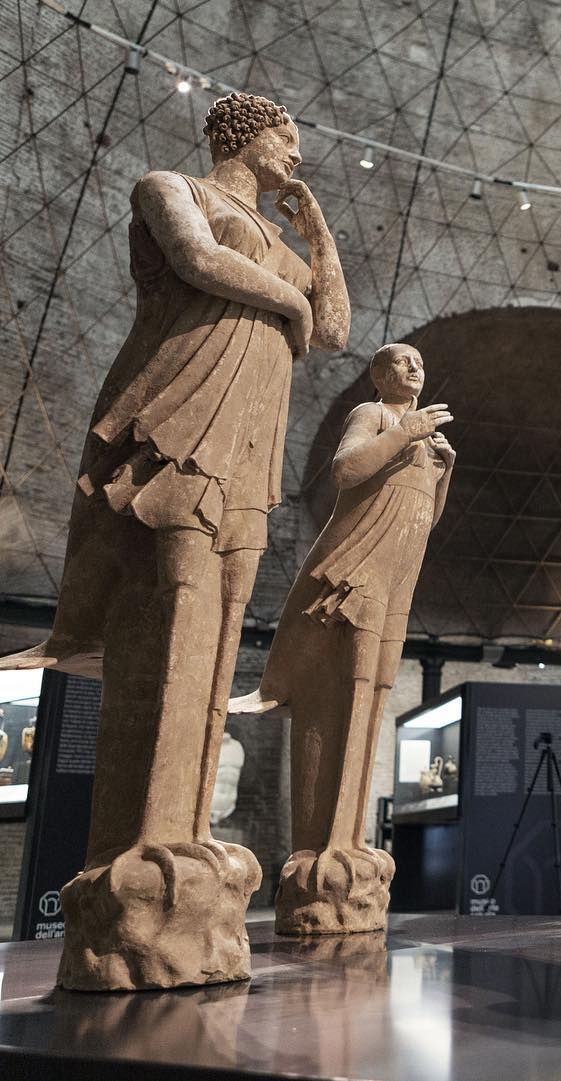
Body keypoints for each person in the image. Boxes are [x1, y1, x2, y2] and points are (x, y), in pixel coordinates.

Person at [0, 92, 349, 987]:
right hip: (181, 408)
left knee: (227, 609)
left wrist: (317, 241)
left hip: (253, 432)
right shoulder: (169, 186)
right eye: (288, 138)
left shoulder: (281, 230)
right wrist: (290, 305)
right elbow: (195, 260)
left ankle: (184, 847)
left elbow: (336, 328)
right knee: (178, 596)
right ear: (242, 137)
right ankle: (140, 860)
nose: (296, 156)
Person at [232, 343, 453, 933]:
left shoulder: (423, 440)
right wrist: (405, 431)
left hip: (398, 575)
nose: (415, 370)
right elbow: (347, 471)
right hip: (356, 569)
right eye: (403, 363)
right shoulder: (375, 416)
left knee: (376, 692)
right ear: (380, 376)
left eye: (419, 364)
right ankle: (322, 848)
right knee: (346, 693)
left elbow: (424, 518)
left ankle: (349, 841)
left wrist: (444, 468)